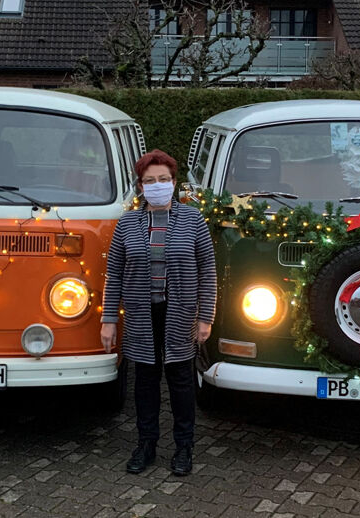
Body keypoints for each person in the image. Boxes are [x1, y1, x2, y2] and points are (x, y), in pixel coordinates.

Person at [100, 150, 216, 476]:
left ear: (174, 182)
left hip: (179, 313)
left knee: (181, 382)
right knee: (146, 383)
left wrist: (205, 316)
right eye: (150, 181)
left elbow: (207, 270)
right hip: (140, 314)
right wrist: (109, 320)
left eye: (164, 180)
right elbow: (115, 273)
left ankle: (184, 447)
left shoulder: (193, 220)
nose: (158, 185)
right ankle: (146, 444)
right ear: (141, 186)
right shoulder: (127, 224)